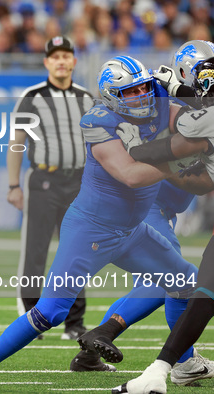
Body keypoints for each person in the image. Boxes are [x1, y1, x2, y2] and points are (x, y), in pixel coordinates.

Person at [0, 55, 200, 387]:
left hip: (132, 231)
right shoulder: (98, 121)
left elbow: (194, 120)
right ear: (112, 96)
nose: (143, 96)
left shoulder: (160, 99)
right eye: (131, 92)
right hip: (92, 229)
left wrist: (192, 104)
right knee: (51, 312)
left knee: (186, 284)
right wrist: (178, 160)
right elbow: (130, 176)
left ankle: (184, 364)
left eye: (144, 87)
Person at [71, 41, 214, 381]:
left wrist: (178, 87)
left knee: (168, 279)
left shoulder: (182, 98)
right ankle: (181, 362)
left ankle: (91, 351)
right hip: (148, 204)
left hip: (161, 207)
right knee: (178, 279)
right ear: (185, 73)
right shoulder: (165, 103)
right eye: (205, 72)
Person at [112, 57, 214, 394]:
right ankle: (172, 365)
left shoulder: (199, 114)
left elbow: (185, 140)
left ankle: (162, 367)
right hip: (156, 206)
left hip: (161, 204)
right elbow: (197, 174)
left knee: (196, 289)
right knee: (193, 288)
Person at [7, 35, 94, 341]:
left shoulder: (86, 98)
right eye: (54, 56)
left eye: (65, 55)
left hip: (79, 182)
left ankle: (74, 322)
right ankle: (32, 316)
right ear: (46, 62)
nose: (60, 61)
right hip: (43, 181)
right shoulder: (32, 96)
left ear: (74, 61)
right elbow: (16, 144)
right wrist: (14, 185)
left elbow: (99, 145)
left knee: (77, 251)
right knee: (36, 250)